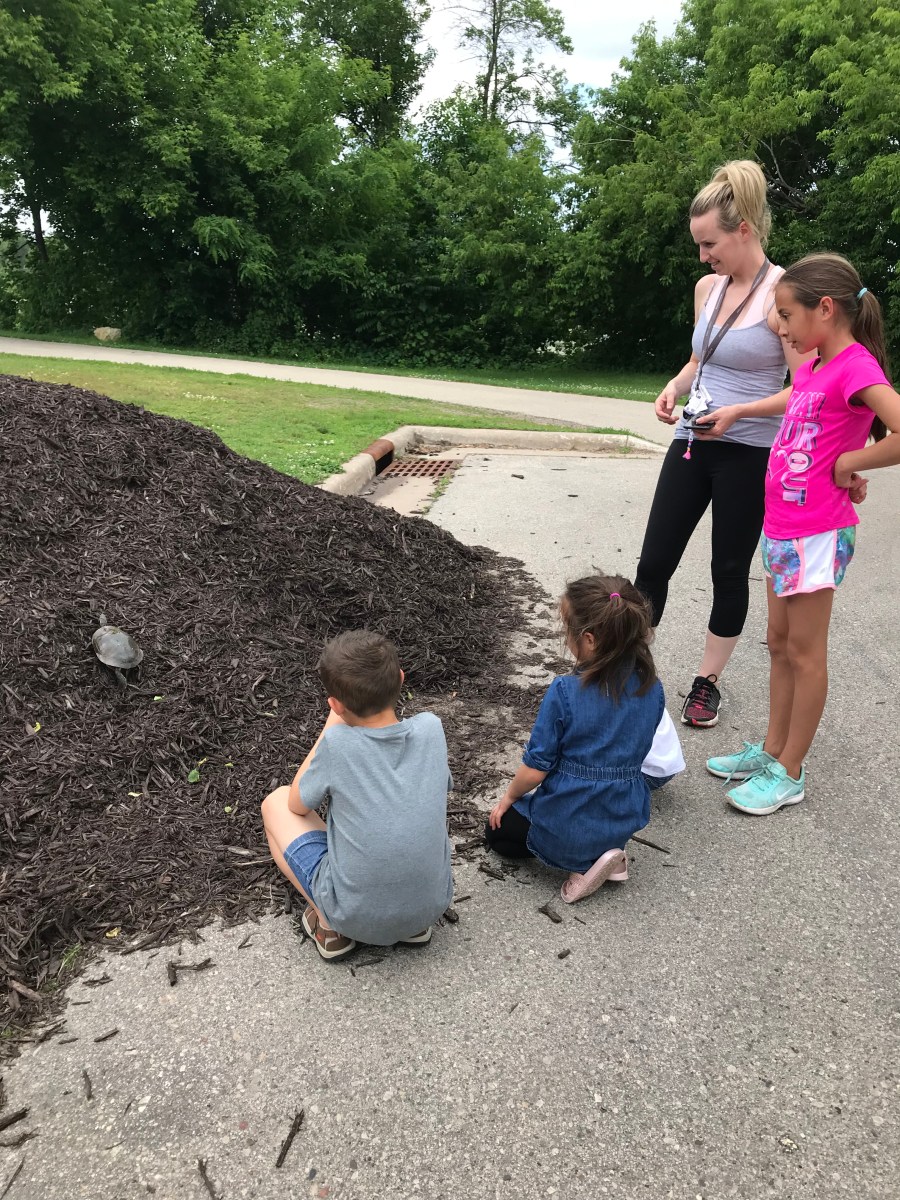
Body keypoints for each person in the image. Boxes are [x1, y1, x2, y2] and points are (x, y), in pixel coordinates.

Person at [699, 253, 900, 813]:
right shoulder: (814, 366)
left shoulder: (856, 365)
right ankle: (771, 750)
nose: (782, 330)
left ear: (825, 309)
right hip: (783, 529)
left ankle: (790, 771)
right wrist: (740, 412)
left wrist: (851, 462)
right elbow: (804, 406)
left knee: (806, 653)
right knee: (779, 642)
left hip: (817, 532)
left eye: (786, 316)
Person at [635, 160, 810, 729]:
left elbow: (804, 389)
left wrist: (739, 413)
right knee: (654, 561)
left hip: (749, 452)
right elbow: (698, 359)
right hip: (692, 441)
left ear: (744, 231)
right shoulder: (707, 289)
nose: (702, 256)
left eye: (709, 243)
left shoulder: (783, 295)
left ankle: (706, 683)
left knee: (728, 570)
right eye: (699, 244)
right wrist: (674, 386)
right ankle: (629, 672)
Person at [485, 575, 685, 904]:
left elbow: (536, 769)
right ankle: (610, 852)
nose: (566, 637)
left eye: (568, 629)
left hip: (571, 815)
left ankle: (585, 865)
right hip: (624, 812)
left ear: (589, 640)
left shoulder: (565, 691)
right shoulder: (652, 687)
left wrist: (509, 797)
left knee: (498, 831)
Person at [260, 630, 454, 959]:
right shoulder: (431, 728)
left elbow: (297, 803)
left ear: (335, 704)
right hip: (431, 906)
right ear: (401, 678)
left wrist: (331, 726)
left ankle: (328, 925)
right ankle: (411, 925)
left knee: (275, 802)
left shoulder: (339, 745)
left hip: (353, 915)